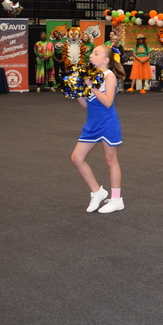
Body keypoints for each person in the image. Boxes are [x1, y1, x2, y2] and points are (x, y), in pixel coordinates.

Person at [69, 44, 126, 214]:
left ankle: (117, 199)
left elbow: (108, 102)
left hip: (108, 122)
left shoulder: (109, 76)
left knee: (111, 160)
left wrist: (91, 85)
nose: (91, 56)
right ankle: (97, 191)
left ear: (105, 60)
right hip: (92, 123)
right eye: (92, 54)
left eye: (95, 54)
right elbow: (85, 104)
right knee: (76, 158)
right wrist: (76, 91)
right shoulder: (91, 75)